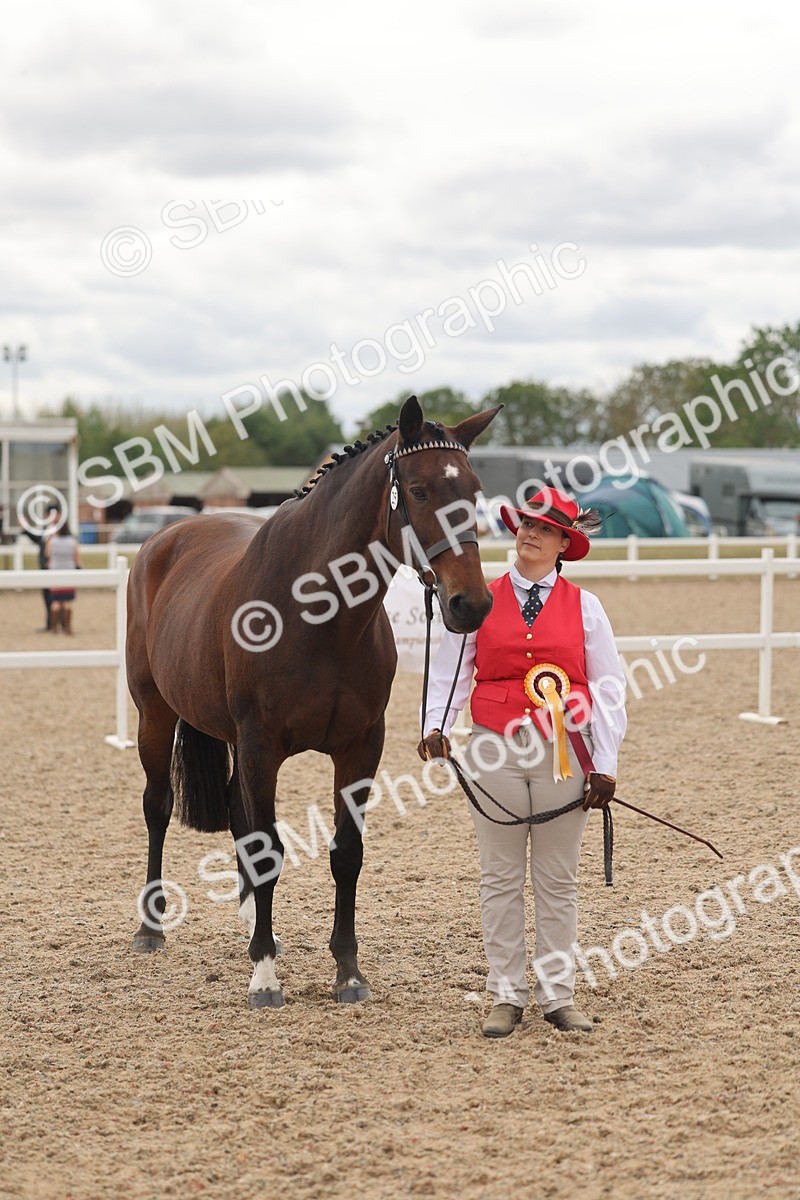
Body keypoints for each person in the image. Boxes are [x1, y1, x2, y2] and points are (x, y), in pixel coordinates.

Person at [418, 487, 626, 1038]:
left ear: (563, 543)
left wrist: (605, 762)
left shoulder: (586, 606)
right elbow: (454, 670)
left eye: (544, 529)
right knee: (500, 876)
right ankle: (505, 994)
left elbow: (607, 686)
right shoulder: (479, 599)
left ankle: (558, 995)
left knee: (557, 880)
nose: (529, 534)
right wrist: (435, 727)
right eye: (525, 524)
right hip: (494, 750)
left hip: (567, 752)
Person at [25, 503, 62, 632]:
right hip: (45, 569)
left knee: (59, 597)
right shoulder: (46, 529)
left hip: (57, 569)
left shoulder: (62, 530)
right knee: (47, 597)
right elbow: (38, 539)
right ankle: (50, 623)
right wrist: (25, 530)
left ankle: (60, 623)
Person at [45, 523, 81, 633]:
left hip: (55, 572)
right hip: (69, 572)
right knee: (67, 602)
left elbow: (47, 555)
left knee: (55, 602)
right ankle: (67, 627)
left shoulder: (52, 541)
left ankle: (54, 628)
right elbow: (77, 559)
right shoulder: (72, 541)